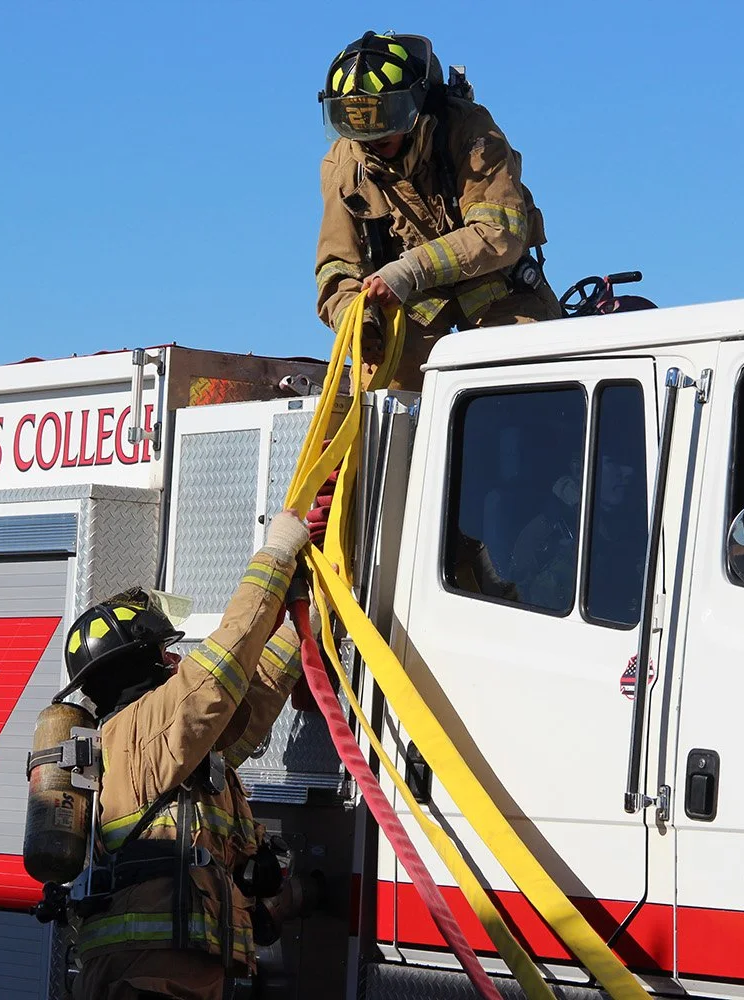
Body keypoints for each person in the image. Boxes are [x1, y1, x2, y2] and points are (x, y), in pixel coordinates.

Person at [63, 510, 312, 1000]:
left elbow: (250, 698)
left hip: (168, 975)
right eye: (164, 652)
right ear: (138, 664)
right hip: (149, 981)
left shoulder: (170, 747)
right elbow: (223, 666)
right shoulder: (139, 730)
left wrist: (309, 624)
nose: (174, 660)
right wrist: (277, 555)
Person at [315, 32, 563, 390]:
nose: (372, 135)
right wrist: (358, 319)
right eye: (357, 121)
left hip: (501, 292)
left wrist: (408, 271)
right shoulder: (344, 166)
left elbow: (499, 233)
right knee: (379, 393)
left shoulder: (472, 133)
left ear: (416, 105)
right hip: (414, 311)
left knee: (531, 387)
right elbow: (337, 265)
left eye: (386, 115)